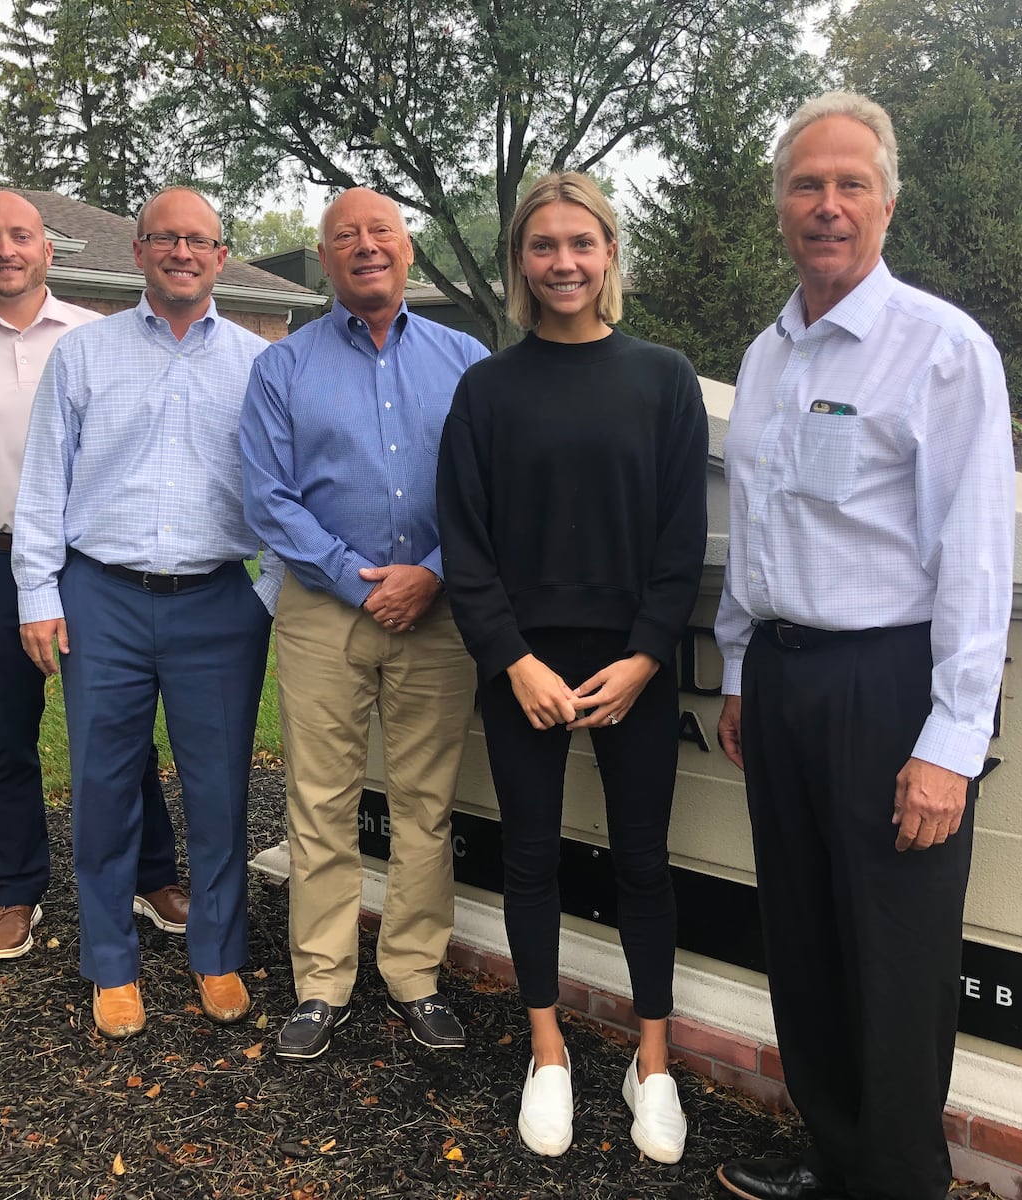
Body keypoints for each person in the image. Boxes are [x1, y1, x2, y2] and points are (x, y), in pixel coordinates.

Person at [712, 92, 1014, 1200]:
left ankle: (896, 1184)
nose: (826, 206)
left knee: (894, 960)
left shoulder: (939, 351)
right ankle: (835, 1162)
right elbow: (757, 529)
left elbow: (977, 557)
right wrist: (742, 669)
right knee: (805, 942)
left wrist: (952, 739)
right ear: (779, 207)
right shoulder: (767, 354)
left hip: (889, 690)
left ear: (887, 202)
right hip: (784, 686)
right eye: (806, 184)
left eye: (849, 185)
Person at [437, 172, 708, 1163]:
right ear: (520, 263)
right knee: (531, 856)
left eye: (580, 244)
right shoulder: (486, 390)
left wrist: (644, 657)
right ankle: (545, 1049)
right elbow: (462, 546)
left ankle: (654, 1062)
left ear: (608, 256)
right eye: (542, 246)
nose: (563, 263)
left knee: (642, 859)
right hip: (525, 670)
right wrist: (511, 661)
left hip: (633, 665)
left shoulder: (662, 379)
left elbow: (683, 541)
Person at [0, 189, 190, 964]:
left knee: (119, 731)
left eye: (21, 236)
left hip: (91, 569)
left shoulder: (98, 337)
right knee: (6, 735)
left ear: (50, 250)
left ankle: (152, 875)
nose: (5, 250)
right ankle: (16, 890)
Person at [12, 187, 276, 1041]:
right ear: (138, 251)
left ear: (222, 256)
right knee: (101, 783)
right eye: (166, 239)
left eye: (200, 241)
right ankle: (111, 962)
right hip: (104, 597)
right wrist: (38, 595)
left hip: (216, 603)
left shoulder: (256, 363)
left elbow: (287, 490)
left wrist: (263, 596)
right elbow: (44, 483)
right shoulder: (83, 355)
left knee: (219, 788)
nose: (183, 253)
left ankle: (217, 952)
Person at [239, 187, 487, 1061]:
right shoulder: (284, 367)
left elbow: (491, 488)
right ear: (326, 258)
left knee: (426, 804)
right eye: (344, 236)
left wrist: (434, 574)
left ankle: (414, 975)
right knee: (320, 800)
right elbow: (267, 497)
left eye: (379, 230)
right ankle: (322, 981)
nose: (364, 246)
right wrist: (356, 579)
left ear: (407, 248)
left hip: (439, 609)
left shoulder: (465, 360)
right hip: (319, 609)